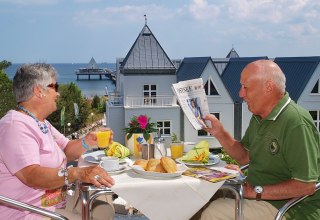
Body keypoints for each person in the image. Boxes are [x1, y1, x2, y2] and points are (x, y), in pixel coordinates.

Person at [200, 60, 320, 219]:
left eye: (245, 87)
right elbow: (245, 157)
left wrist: (255, 191)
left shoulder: (295, 122)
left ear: (268, 87)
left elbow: (306, 185)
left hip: (291, 208)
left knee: (213, 212)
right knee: (203, 199)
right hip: (260, 196)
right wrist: (220, 133)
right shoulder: (259, 116)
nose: (240, 94)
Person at [0, 63, 115, 219]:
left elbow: (67, 149)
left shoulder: (41, 122)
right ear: (38, 90)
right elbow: (31, 175)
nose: (58, 94)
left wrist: (89, 141)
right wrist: (76, 173)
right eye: (55, 87)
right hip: (30, 212)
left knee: (104, 208)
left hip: (55, 203)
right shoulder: (15, 125)